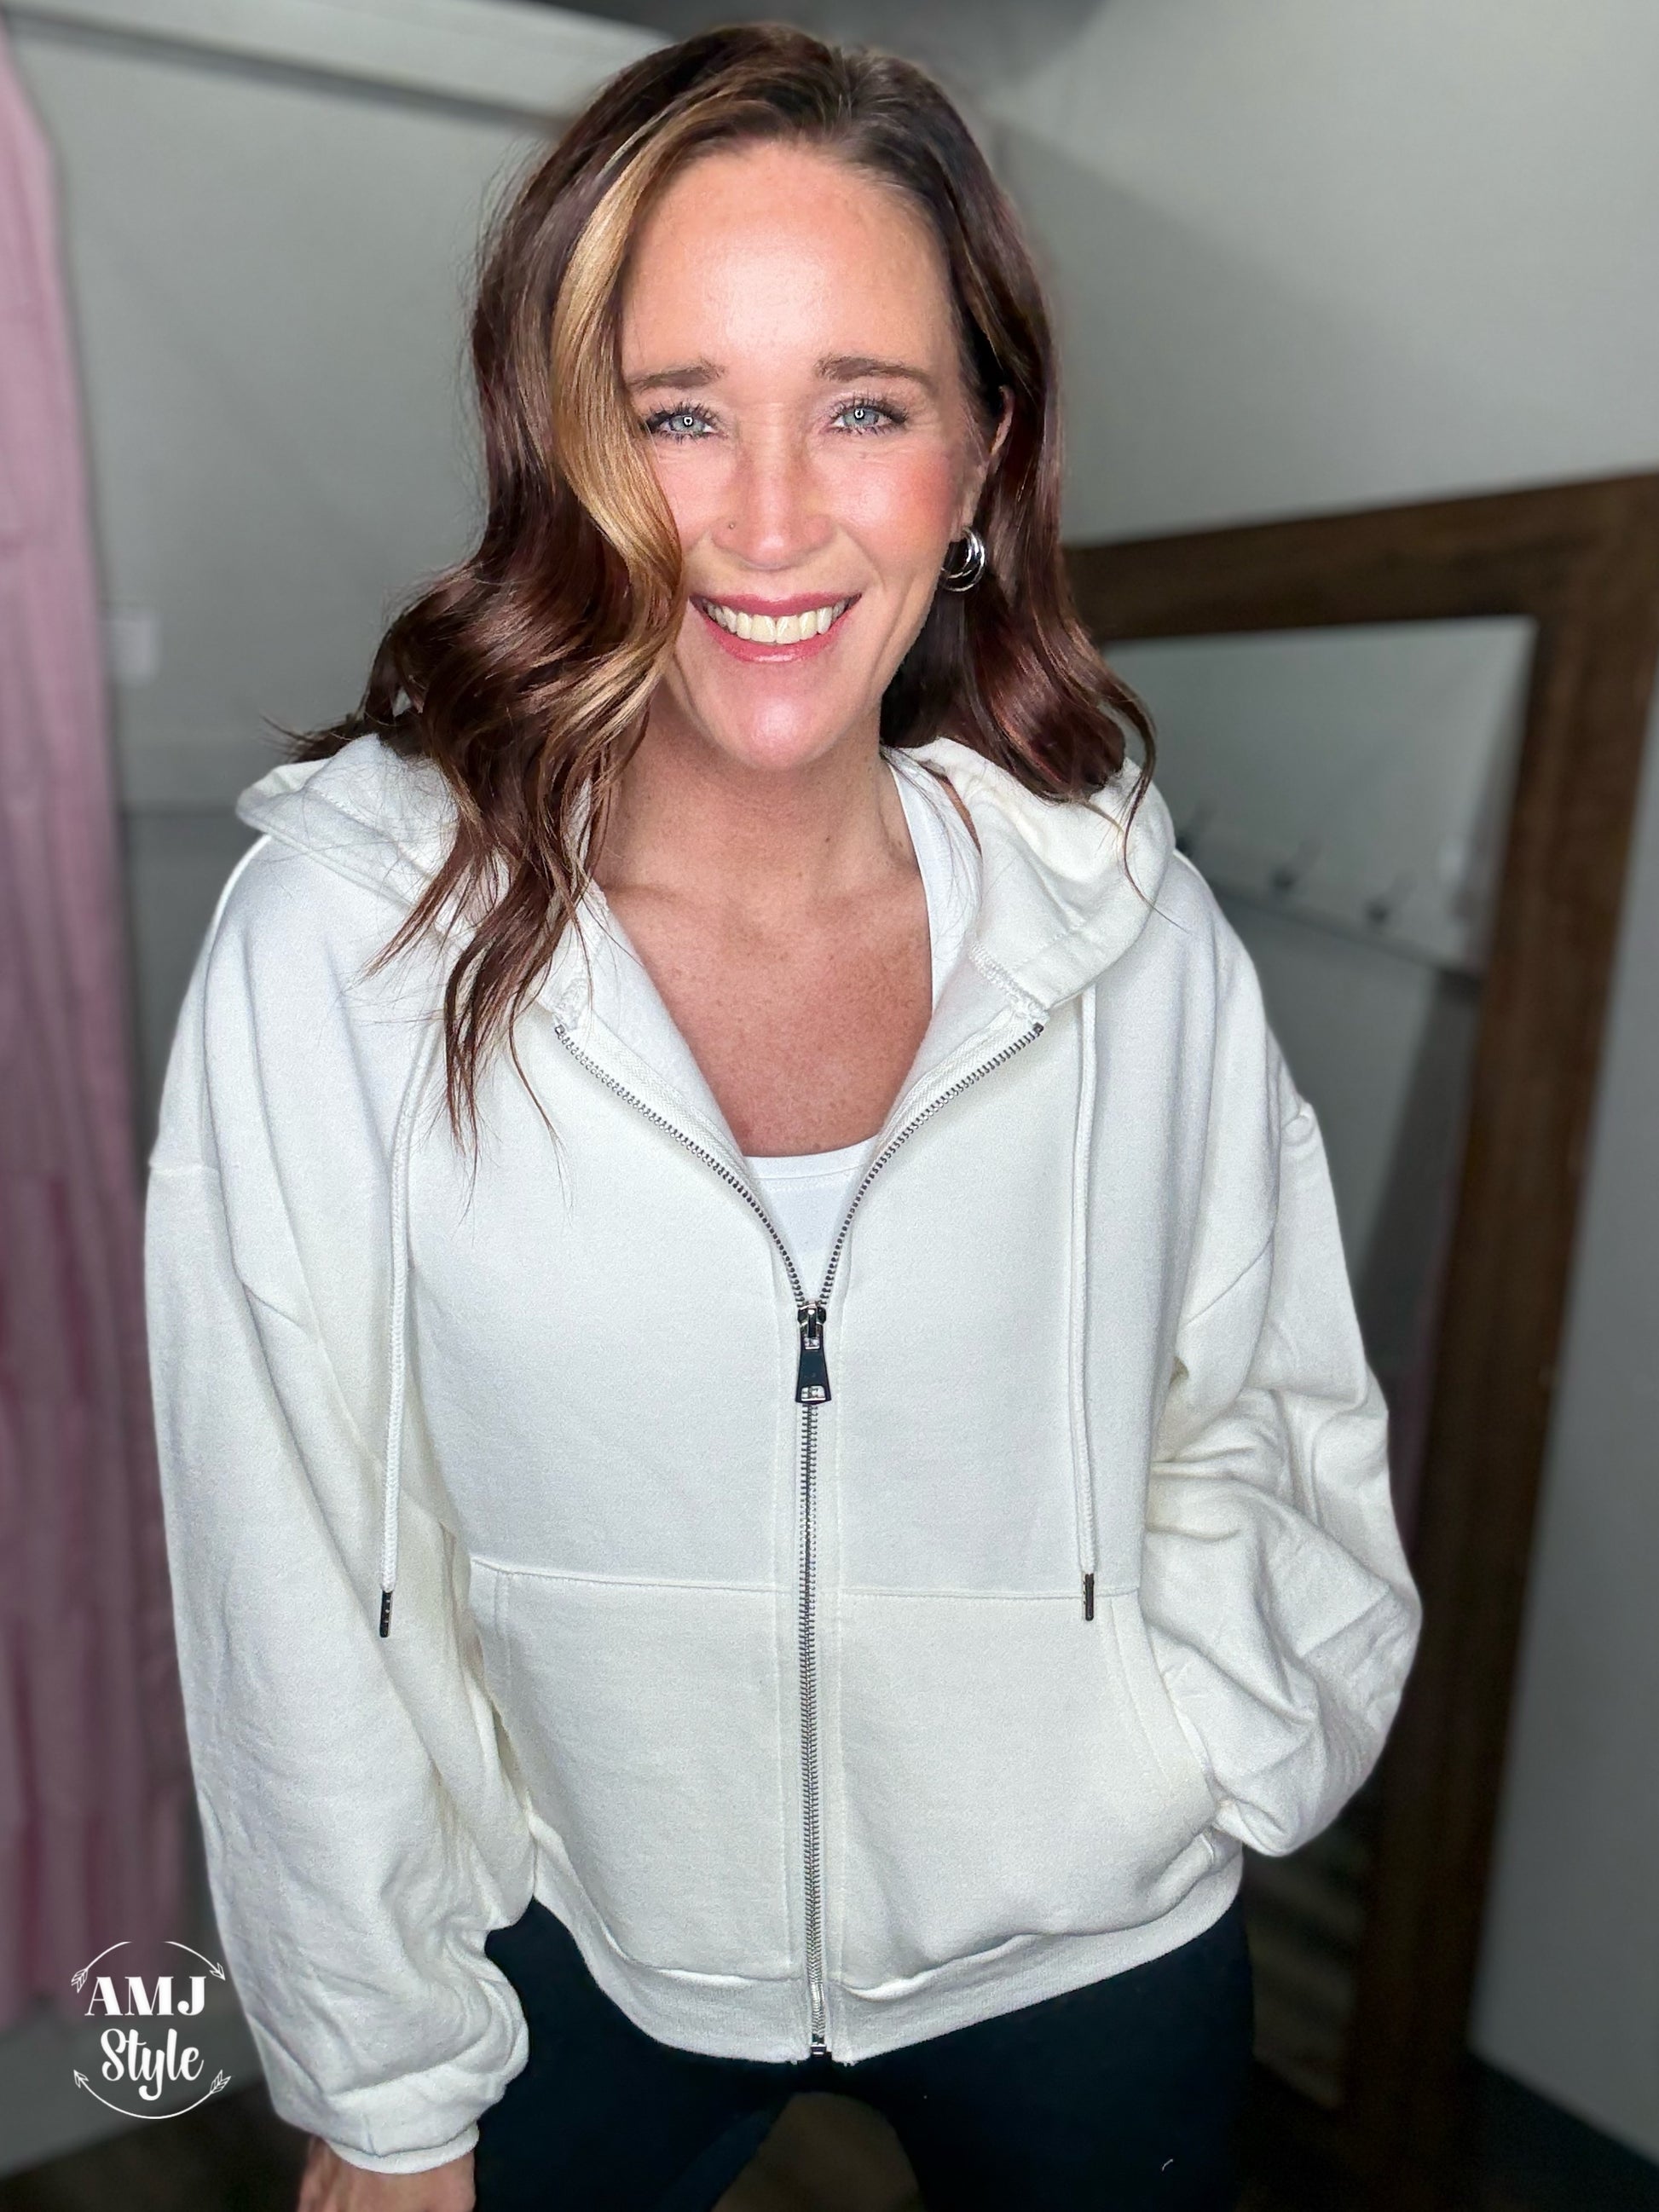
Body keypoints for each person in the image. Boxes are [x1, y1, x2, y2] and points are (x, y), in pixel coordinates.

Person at [144, 25, 1421, 2212]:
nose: (762, 518)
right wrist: (382, 2073)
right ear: (566, 447)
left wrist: (1188, 1747)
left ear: (979, 454)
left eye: (862, 405)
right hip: (574, 1935)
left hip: (1092, 1955)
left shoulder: (1126, 933)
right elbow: (287, 1550)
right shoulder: (349, 938)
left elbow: (1258, 1399)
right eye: (677, 411)